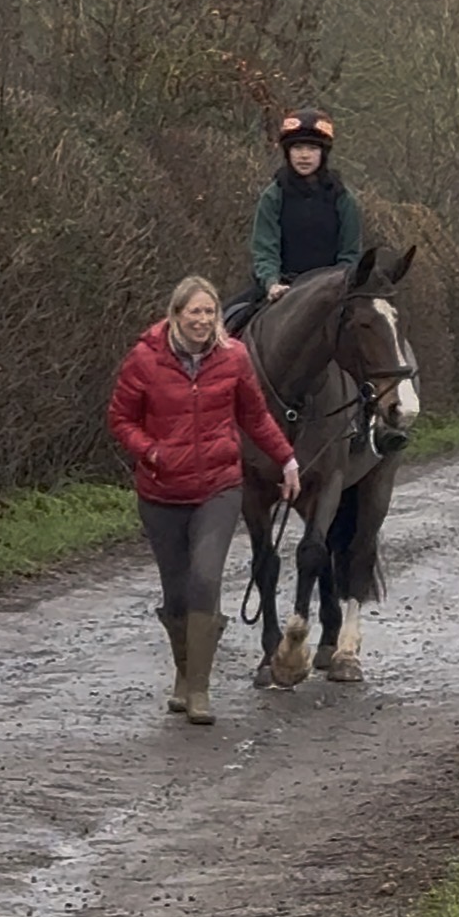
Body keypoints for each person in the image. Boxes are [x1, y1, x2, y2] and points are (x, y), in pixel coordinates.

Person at [108, 275, 300, 726]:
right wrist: (149, 451)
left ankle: (199, 690)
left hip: (217, 487)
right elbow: (120, 418)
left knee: (205, 579)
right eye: (194, 312)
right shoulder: (144, 359)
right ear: (176, 315)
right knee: (175, 593)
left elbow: (255, 417)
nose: (202, 320)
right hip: (161, 492)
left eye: (209, 312)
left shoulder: (233, 359)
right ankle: (183, 673)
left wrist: (287, 461)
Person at [224, 107, 362, 335]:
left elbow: (349, 254)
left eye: (312, 148)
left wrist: (334, 286)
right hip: (280, 290)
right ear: (288, 152)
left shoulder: (343, 199)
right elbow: (264, 249)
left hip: (329, 292)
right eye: (298, 148)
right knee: (220, 324)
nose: (304, 155)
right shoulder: (273, 195)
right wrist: (271, 283)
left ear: (322, 153)